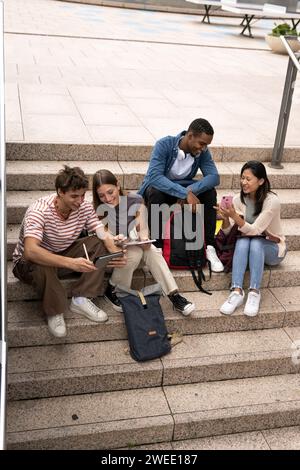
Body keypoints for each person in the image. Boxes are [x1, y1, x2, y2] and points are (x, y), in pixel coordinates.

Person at [12, 165, 124, 338]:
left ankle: (81, 299)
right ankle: (55, 310)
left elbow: (101, 232)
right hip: (29, 265)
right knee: (41, 261)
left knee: (98, 241)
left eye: (82, 195)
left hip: (62, 252)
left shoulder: (84, 207)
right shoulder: (39, 211)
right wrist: (71, 263)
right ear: (60, 192)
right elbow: (30, 252)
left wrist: (114, 251)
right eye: (74, 196)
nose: (79, 201)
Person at [92, 169, 195, 316]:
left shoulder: (135, 200)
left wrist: (144, 239)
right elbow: (107, 239)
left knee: (149, 249)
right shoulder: (97, 210)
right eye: (101, 195)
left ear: (118, 185)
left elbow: (143, 229)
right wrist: (116, 241)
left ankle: (174, 295)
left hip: (134, 251)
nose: (107, 199)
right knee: (134, 252)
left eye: (110, 192)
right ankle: (113, 289)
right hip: (113, 258)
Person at [138, 118, 224, 272]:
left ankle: (209, 247)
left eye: (206, 145)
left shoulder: (202, 152)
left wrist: (189, 192)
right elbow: (155, 177)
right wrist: (184, 193)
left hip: (185, 190)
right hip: (162, 190)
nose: (204, 148)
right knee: (155, 192)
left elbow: (214, 177)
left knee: (210, 193)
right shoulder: (164, 145)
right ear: (190, 136)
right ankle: (157, 247)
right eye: (202, 143)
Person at [218, 161, 287, 317]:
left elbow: (255, 230)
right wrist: (225, 218)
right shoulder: (237, 200)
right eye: (242, 178)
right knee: (242, 240)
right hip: (247, 246)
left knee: (255, 242)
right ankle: (236, 291)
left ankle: (254, 292)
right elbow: (229, 232)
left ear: (261, 181)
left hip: (274, 248)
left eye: (248, 179)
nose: (243, 182)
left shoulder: (272, 201)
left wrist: (235, 216)